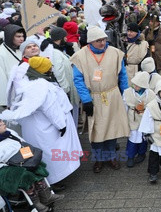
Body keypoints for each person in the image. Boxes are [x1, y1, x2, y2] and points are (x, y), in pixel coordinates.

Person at [0, 56, 82, 186]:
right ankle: (53, 180)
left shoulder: (26, 81)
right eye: (49, 67)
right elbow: (51, 108)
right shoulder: (41, 86)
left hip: (35, 126)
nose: (51, 68)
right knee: (50, 153)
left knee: (41, 152)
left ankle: (46, 180)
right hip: (45, 127)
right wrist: (61, 125)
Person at [70, 26, 130, 173]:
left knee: (111, 127)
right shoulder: (80, 56)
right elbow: (78, 80)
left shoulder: (115, 53)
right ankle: (99, 158)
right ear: (90, 41)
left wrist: (126, 94)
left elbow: (122, 75)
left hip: (112, 95)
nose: (102, 43)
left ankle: (111, 156)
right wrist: (86, 100)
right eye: (98, 41)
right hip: (94, 97)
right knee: (96, 129)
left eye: (104, 39)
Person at [0, 120, 64, 212]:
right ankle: (35, 203)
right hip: (4, 166)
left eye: (2, 121)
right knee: (25, 175)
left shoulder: (9, 133)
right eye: (0, 124)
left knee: (37, 166)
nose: (3, 124)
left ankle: (46, 196)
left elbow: (22, 143)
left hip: (19, 160)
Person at [123, 71, 155, 168]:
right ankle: (130, 156)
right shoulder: (127, 92)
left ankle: (142, 153)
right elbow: (124, 107)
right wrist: (124, 120)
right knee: (133, 137)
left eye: (138, 85)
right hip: (133, 117)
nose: (135, 86)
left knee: (143, 137)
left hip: (145, 118)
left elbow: (153, 108)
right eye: (134, 84)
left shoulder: (151, 94)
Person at [0, 24, 25, 106]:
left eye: (22, 36)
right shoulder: (1, 52)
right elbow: (2, 80)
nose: (22, 39)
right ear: (10, 36)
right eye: (18, 36)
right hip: (9, 96)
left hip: (20, 92)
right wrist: (4, 102)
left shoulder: (19, 50)